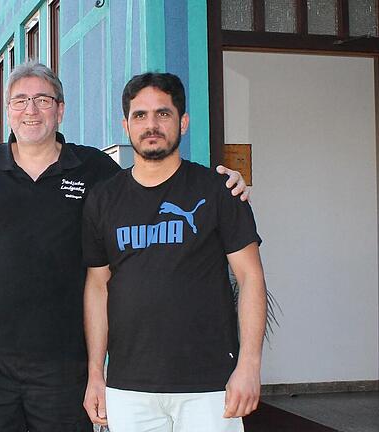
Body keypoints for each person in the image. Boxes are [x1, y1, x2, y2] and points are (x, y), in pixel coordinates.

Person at [0, 62, 249, 432]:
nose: (30, 110)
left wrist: (226, 182)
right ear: (7, 112)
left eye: (42, 99)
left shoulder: (93, 168)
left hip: (66, 363)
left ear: (61, 109)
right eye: (19, 101)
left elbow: (148, 187)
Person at [82, 72, 267, 432]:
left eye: (163, 114)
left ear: (182, 122)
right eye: (140, 115)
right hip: (128, 385)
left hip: (210, 385)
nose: (151, 125)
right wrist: (95, 374)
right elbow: (97, 286)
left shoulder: (218, 191)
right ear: (126, 126)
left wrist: (249, 366)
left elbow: (251, 277)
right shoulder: (102, 200)